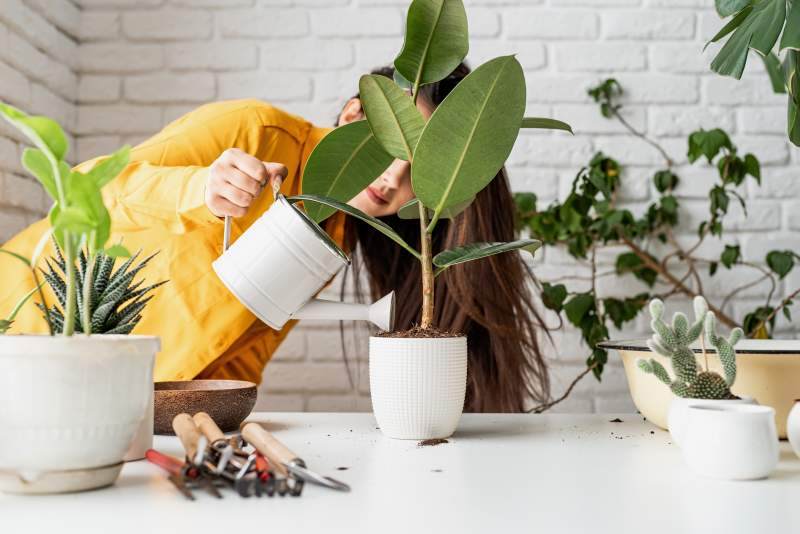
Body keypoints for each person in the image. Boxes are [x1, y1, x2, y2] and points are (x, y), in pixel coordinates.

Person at [0, 63, 549, 412]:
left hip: (97, 394)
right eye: (394, 152)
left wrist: (216, 420)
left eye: (419, 178)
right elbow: (82, 188)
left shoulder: (337, 231)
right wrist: (200, 186)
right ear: (356, 114)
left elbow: (242, 342)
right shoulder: (255, 131)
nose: (393, 182)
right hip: (21, 323)